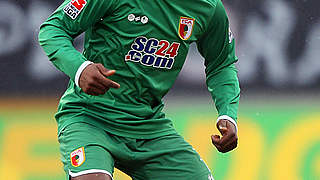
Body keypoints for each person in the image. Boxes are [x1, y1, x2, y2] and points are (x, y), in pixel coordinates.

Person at [38, 0, 240, 179]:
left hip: (148, 127)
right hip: (90, 118)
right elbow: (53, 28)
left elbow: (221, 63)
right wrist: (80, 68)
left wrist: (228, 114)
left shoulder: (208, 7)